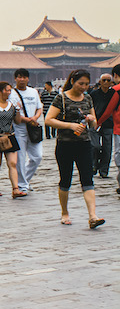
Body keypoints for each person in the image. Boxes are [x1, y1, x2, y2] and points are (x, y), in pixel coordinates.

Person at [45, 70, 104, 229]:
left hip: (84, 144)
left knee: (87, 178)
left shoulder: (88, 98)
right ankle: (65, 212)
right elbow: (48, 120)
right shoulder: (61, 98)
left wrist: (91, 120)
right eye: (81, 84)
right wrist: (70, 125)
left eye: (86, 84)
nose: (84, 87)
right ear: (72, 81)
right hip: (65, 144)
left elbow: (95, 124)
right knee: (66, 179)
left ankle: (92, 216)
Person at [8, 69, 43, 195]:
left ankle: (24, 180)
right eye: (19, 77)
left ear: (28, 79)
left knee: (37, 156)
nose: (22, 79)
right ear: (15, 79)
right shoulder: (11, 93)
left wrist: (35, 118)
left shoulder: (33, 91)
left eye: (24, 77)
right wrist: (27, 120)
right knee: (20, 158)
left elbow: (39, 107)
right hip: (19, 128)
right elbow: (11, 112)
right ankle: (22, 185)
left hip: (33, 127)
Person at [0, 81, 23, 198]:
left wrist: (18, 110)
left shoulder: (12, 106)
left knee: (13, 163)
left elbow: (17, 121)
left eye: (10, 90)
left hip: (10, 136)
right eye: (6, 90)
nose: (9, 92)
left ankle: (15, 188)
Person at [95, 64, 120, 195]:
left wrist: (98, 122)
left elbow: (108, 111)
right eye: (104, 80)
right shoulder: (96, 93)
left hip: (114, 126)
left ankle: (109, 174)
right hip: (108, 125)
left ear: (115, 76)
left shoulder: (115, 91)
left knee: (113, 151)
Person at [89, 73, 114, 178]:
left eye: (108, 80)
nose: (106, 82)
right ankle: (94, 165)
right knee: (95, 146)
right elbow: (89, 107)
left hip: (109, 123)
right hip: (95, 123)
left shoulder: (114, 93)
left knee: (107, 148)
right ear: (100, 81)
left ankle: (104, 170)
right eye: (104, 80)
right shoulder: (94, 94)